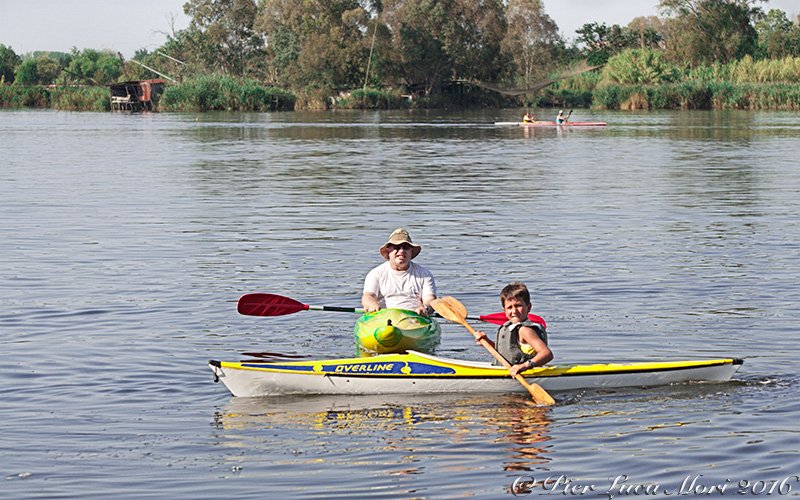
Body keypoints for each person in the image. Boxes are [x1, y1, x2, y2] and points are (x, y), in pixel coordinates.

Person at [474, 282, 553, 377]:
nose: (514, 311)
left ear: (528, 307)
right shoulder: (510, 327)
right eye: (509, 307)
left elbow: (547, 354)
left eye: (518, 305)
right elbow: (505, 353)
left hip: (525, 374)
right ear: (505, 311)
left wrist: (524, 366)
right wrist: (486, 341)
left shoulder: (525, 330)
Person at [361, 228, 437, 316]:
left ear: (411, 251)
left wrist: (426, 307)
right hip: (383, 319)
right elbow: (368, 296)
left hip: (415, 319)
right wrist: (372, 304)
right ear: (388, 250)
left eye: (406, 247)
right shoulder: (376, 273)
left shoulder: (424, 275)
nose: (401, 251)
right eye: (397, 247)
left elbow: (429, 298)